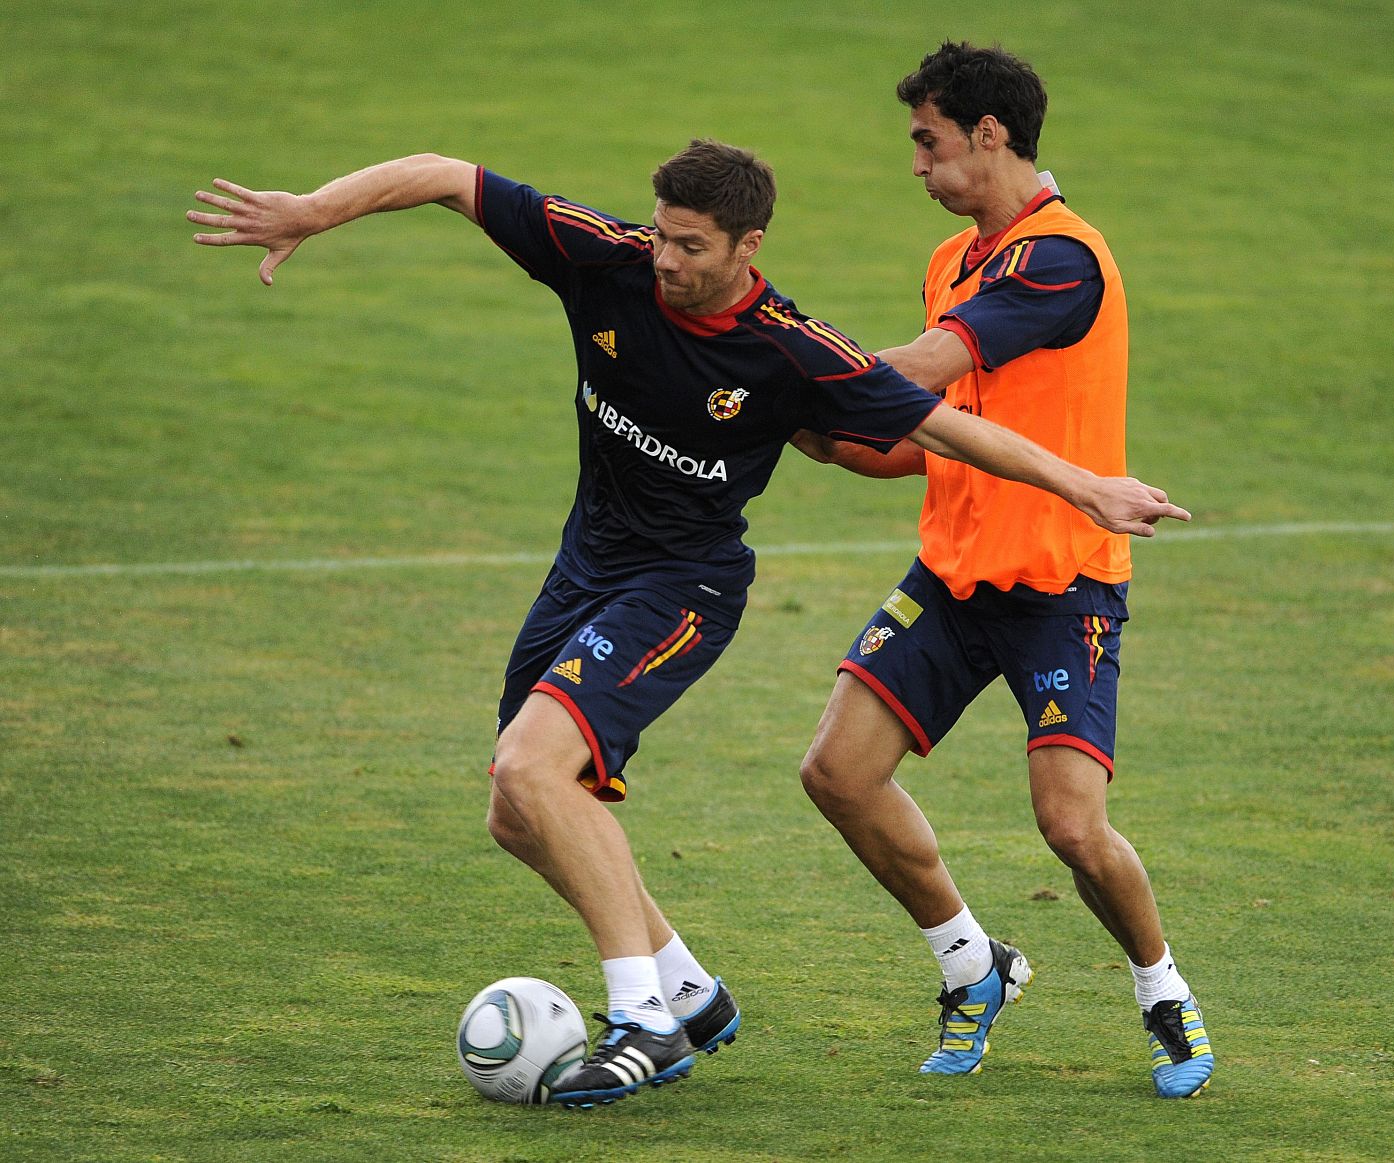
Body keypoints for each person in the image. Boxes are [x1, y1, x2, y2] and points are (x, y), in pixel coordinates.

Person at [187, 139, 1189, 1107]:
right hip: (584, 568)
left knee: (539, 767)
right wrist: (316, 210)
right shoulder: (607, 259)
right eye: (662, 236)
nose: (666, 259)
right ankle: (689, 990)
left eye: (691, 245)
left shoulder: (792, 350)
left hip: (684, 589)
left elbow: (938, 420)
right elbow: (449, 175)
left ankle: (643, 1020)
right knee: (515, 806)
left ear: (747, 245)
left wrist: (1081, 483)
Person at [794, 43, 1214, 1098]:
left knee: (1070, 823)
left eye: (926, 142)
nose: (918, 166)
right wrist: (805, 429)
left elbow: (929, 369)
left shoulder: (1058, 258)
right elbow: (926, 430)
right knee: (836, 772)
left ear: (989, 134)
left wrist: (776, 366)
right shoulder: (952, 260)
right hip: (952, 573)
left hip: (1061, 582)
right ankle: (972, 965)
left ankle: (1161, 986)